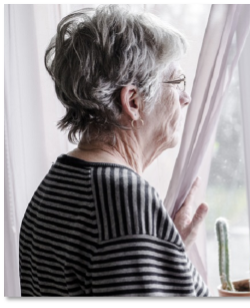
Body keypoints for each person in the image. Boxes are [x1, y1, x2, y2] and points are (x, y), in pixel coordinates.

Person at [18, 4, 209, 297]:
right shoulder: (123, 201)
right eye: (176, 82)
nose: (186, 97)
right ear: (132, 101)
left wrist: (163, 253)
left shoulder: (53, 188)